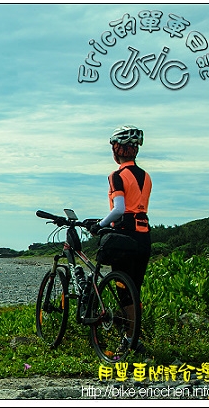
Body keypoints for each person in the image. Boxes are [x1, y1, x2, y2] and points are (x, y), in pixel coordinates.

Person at [89, 125, 152, 355]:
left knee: (123, 289)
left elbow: (119, 209)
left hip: (124, 234)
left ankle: (128, 340)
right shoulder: (146, 176)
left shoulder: (116, 176)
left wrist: (100, 225)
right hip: (144, 236)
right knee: (135, 289)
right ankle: (135, 338)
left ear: (117, 150)